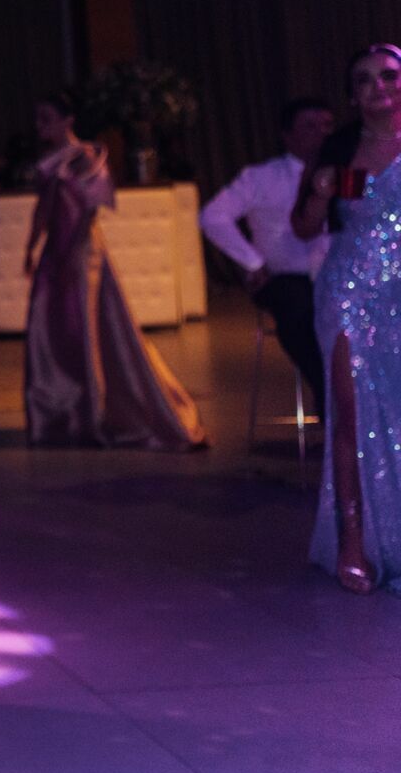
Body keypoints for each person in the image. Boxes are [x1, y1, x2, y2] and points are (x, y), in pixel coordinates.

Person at [23, 89, 207, 450]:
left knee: (87, 325)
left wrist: (70, 252)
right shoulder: (50, 160)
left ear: (67, 121)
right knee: (52, 327)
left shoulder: (86, 156)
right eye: (38, 119)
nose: (40, 126)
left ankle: (95, 413)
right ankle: (63, 414)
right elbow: (43, 209)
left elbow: (90, 211)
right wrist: (33, 247)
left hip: (81, 250)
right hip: (56, 250)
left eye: (47, 118)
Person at [294, 44, 401, 595]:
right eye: (364, 81)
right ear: (354, 96)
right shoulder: (342, 153)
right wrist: (318, 192)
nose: (379, 87)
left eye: (388, 75)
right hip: (350, 294)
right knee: (349, 413)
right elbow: (307, 228)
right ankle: (353, 541)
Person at [200, 97, 335, 421]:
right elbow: (213, 216)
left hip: (336, 273)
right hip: (282, 276)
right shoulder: (262, 177)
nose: (321, 134)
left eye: (327, 126)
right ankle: (330, 397)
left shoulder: (346, 172)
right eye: (310, 127)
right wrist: (252, 262)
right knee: (301, 311)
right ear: (287, 135)